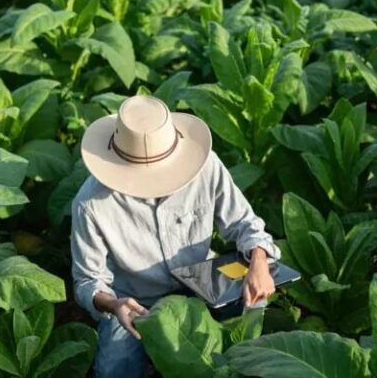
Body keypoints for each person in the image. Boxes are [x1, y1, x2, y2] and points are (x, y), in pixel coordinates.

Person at [70, 95, 281, 378]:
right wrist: (113, 304)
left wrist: (259, 262)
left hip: (201, 280)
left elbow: (244, 223)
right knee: (114, 369)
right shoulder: (91, 203)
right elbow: (87, 280)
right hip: (135, 301)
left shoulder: (206, 167)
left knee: (254, 309)